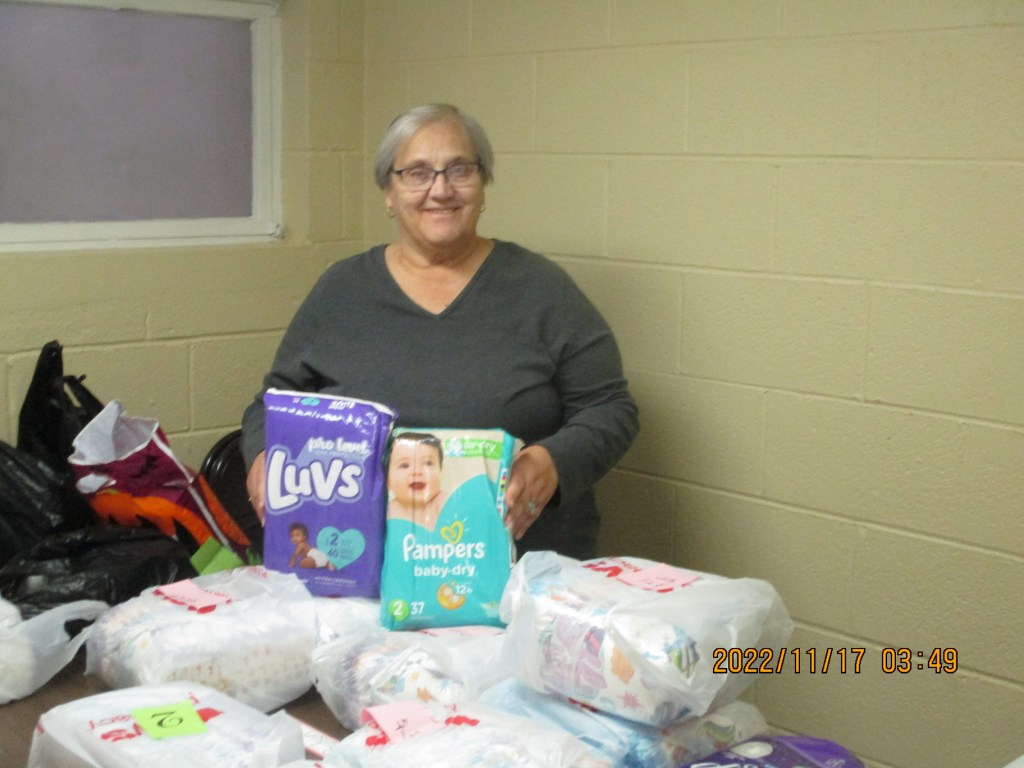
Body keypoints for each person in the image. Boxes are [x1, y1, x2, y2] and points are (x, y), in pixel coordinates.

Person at [241, 103, 638, 560]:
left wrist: (551, 462)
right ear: (388, 192)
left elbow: (611, 408)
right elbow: (274, 403)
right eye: (417, 173)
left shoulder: (541, 289)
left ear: (483, 185)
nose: (441, 189)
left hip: (519, 568)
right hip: (359, 564)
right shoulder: (342, 290)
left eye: (460, 170)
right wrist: (263, 457)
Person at [386, 431, 448, 531]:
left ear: (440, 472)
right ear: (387, 481)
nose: (417, 471)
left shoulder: (443, 503)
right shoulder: (388, 511)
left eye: (427, 463)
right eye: (405, 465)